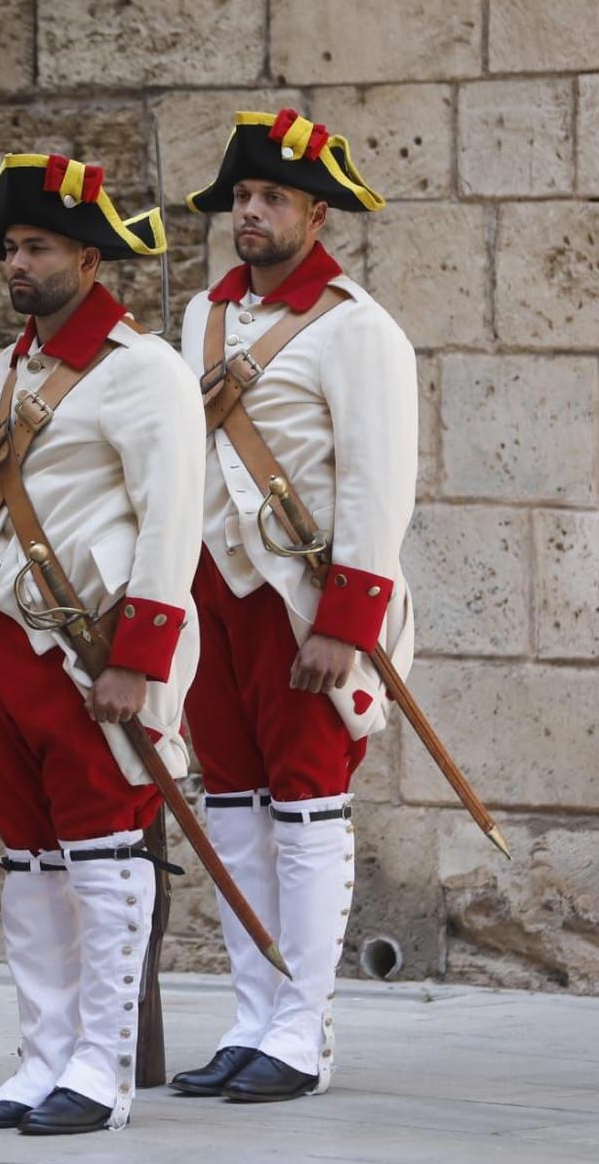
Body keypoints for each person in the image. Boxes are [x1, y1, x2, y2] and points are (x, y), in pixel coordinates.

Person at [0, 152, 203, 1134]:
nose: (15, 262)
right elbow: (18, 512)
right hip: (3, 643)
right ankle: (40, 1058)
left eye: (35, 246)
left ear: (87, 257)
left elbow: (172, 522)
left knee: (103, 851)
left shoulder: (143, 368)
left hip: (89, 650)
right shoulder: (11, 368)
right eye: (8, 247)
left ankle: (100, 1070)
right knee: (30, 862)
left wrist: (139, 657)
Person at [168, 109, 417, 1104]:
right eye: (241, 196)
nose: (250, 212)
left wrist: (343, 625)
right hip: (211, 590)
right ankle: (250, 1016)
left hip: (297, 598)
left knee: (306, 802)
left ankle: (301, 1031)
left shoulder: (357, 328)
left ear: (316, 211)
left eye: (271, 196)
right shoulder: (203, 318)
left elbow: (376, 483)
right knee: (230, 803)